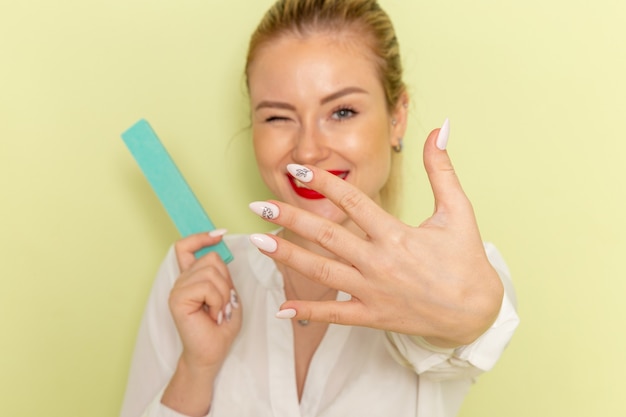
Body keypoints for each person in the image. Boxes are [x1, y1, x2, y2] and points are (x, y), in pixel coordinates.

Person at [120, 1, 519, 416]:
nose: (308, 150)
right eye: (278, 117)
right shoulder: (198, 276)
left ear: (397, 117)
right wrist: (195, 368)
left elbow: (469, 319)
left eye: (342, 112)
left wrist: (467, 317)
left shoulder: (441, 271)